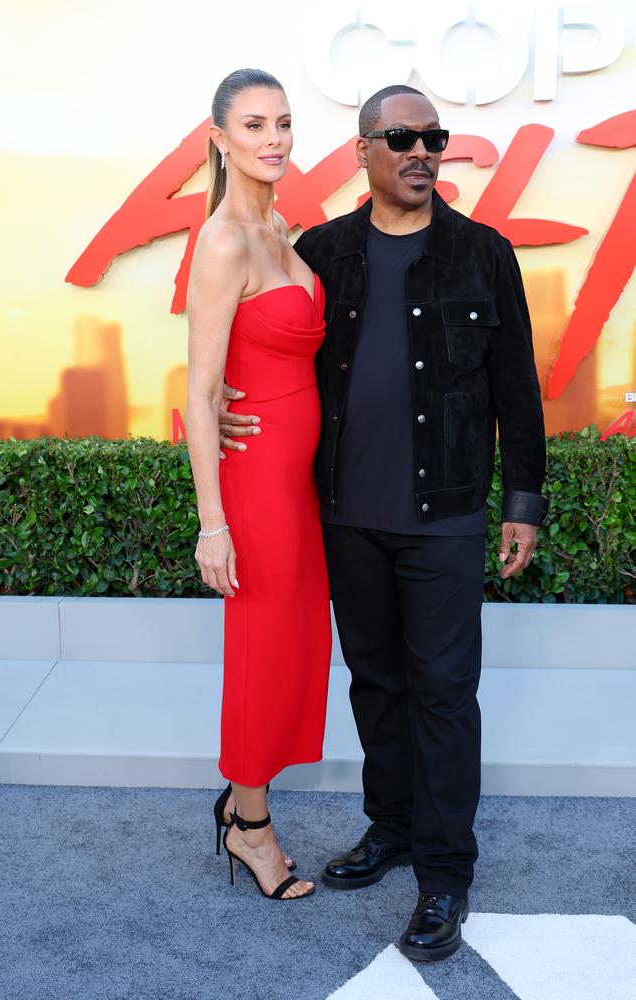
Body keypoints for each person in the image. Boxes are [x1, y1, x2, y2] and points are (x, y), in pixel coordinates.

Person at [219, 84, 549, 954]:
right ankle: (392, 828)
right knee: (377, 684)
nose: (419, 151)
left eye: (431, 137)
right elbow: (265, 341)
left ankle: (445, 875)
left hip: (442, 517)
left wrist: (525, 501)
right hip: (344, 517)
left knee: (443, 695)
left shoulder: (483, 253)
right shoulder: (322, 251)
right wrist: (218, 406)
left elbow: (517, 382)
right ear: (363, 150)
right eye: (399, 137)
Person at [185, 68, 332, 901]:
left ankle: (249, 810)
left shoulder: (283, 228)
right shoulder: (224, 242)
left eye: (282, 123)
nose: (273, 138)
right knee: (261, 651)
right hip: (257, 487)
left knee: (296, 645)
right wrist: (214, 523)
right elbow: (201, 394)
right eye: (253, 125)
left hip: (301, 480)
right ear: (220, 139)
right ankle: (249, 828)